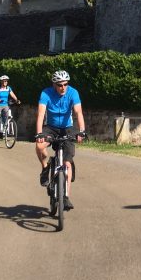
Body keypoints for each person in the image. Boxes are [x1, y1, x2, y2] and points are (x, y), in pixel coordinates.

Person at [34, 69, 85, 211]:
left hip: (67, 128)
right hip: (50, 127)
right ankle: (45, 168)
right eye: (59, 85)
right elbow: (40, 114)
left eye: (65, 84)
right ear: (54, 84)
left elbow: (78, 112)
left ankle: (66, 197)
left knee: (67, 164)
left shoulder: (73, 93)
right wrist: (39, 134)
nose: (63, 87)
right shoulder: (46, 93)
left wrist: (81, 131)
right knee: (39, 146)